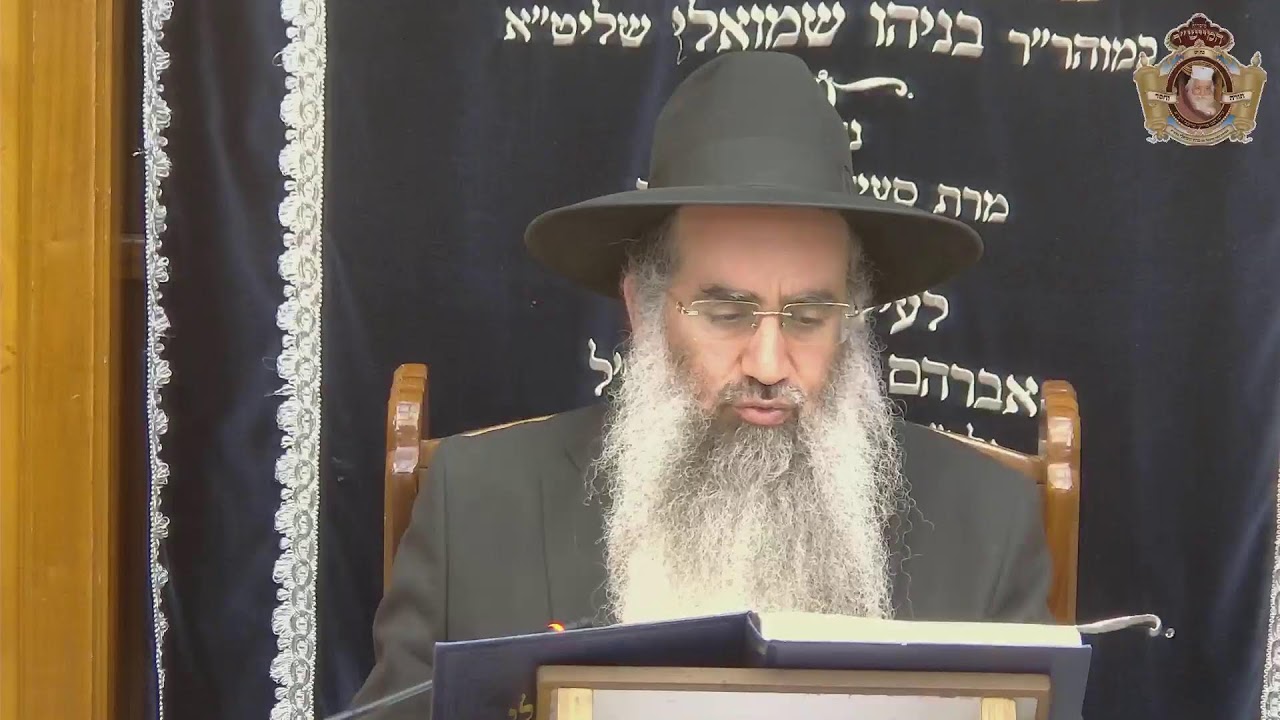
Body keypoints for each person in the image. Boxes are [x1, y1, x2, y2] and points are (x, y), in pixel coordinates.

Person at [351, 50, 1053, 715]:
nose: (769, 365)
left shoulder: (986, 528)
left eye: (809, 316)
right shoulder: (476, 508)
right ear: (643, 308)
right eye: (726, 312)